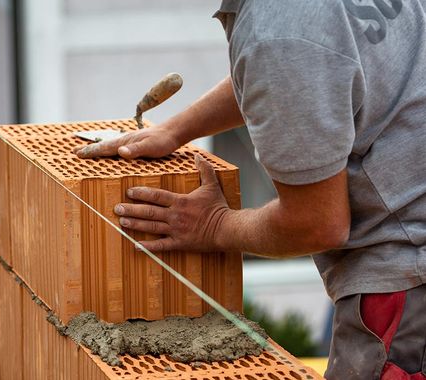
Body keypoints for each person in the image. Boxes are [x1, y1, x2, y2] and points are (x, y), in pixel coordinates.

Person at [74, 0, 426, 378]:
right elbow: (298, 71)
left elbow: (318, 223)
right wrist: (175, 130)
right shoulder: (289, 30)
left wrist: (213, 226)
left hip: (409, 285)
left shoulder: (277, 29)